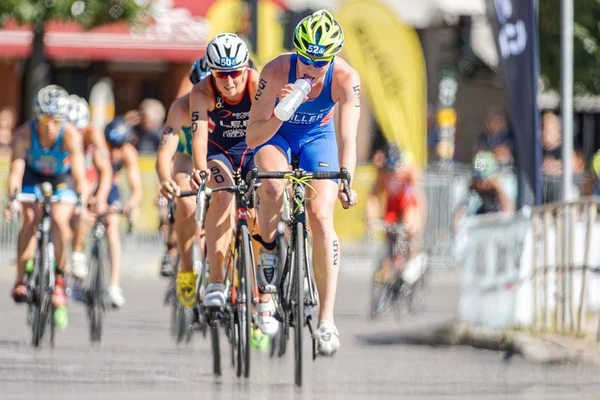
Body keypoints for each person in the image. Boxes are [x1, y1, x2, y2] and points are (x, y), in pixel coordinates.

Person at [245, 9, 359, 356]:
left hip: (317, 138)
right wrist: (281, 110)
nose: (312, 68)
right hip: (276, 135)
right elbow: (252, 137)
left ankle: (326, 319)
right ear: (296, 53)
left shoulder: (345, 78)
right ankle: (267, 249)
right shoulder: (277, 70)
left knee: (321, 216)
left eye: (321, 62)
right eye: (306, 59)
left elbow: (348, 139)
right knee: (272, 185)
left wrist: (347, 181)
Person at [5, 85, 88, 329]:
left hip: (61, 179)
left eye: (56, 119)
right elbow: (16, 171)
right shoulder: (23, 134)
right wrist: (13, 198)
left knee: (61, 222)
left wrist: (81, 200)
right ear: (36, 115)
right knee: (31, 219)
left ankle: (60, 278)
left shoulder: (71, 134)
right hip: (32, 177)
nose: (50, 125)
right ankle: (20, 279)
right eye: (44, 118)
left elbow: (80, 174)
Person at [188, 34, 259, 316]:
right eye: (221, 75)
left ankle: (264, 273)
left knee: (267, 199)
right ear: (212, 73)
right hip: (220, 153)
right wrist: (198, 168)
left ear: (245, 69)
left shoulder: (256, 82)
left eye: (235, 74)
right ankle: (216, 281)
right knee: (223, 196)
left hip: (253, 150)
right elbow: (198, 138)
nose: (229, 82)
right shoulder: (202, 92)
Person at [156, 56, 210, 289]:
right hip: (187, 160)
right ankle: (187, 268)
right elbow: (165, 151)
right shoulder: (180, 107)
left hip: (218, 160)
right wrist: (165, 179)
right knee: (185, 203)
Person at [65, 95, 112, 283]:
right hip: (67, 175)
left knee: (84, 210)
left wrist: (100, 198)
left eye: (79, 129)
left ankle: (77, 254)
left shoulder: (93, 133)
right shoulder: (60, 134)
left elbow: (105, 170)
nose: (76, 134)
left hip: (88, 174)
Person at [366, 143, 427, 285]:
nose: (392, 172)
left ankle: (413, 258)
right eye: (389, 169)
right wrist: (371, 218)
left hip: (407, 203)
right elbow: (374, 195)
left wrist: (418, 222)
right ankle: (387, 272)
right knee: (388, 235)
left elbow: (418, 198)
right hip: (392, 204)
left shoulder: (408, 171)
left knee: (408, 228)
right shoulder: (382, 172)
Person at [98, 117, 143, 307]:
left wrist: (131, 203)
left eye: (119, 146)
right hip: (92, 181)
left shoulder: (128, 152)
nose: (115, 151)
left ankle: (114, 284)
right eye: (111, 145)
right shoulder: (99, 148)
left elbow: (136, 187)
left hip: (111, 188)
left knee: (112, 228)